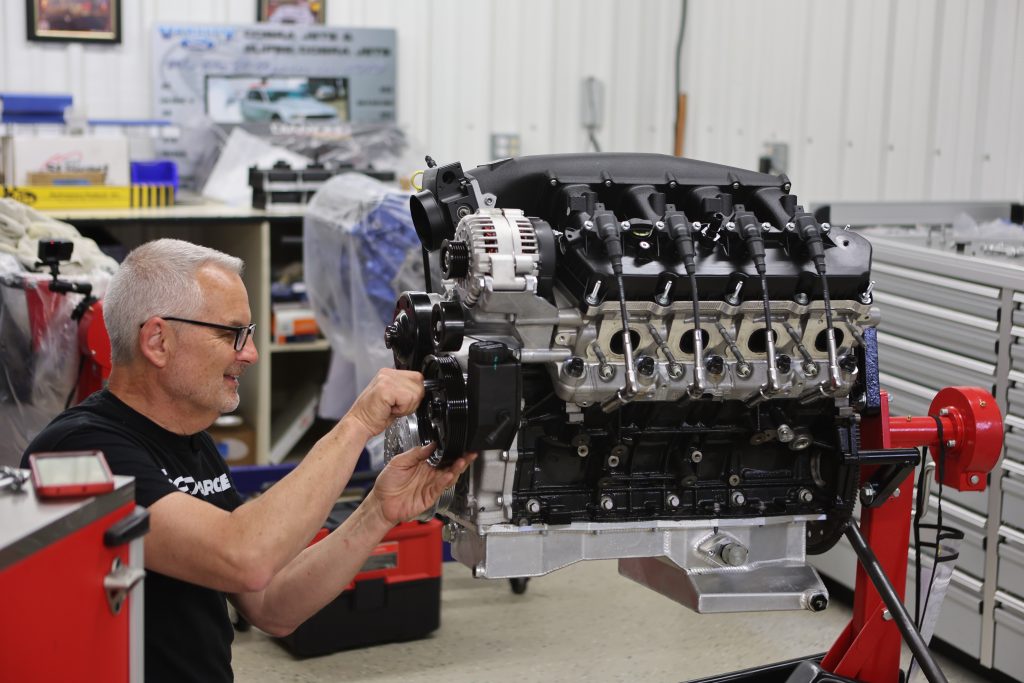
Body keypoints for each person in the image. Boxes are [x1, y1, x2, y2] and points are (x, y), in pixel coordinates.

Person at [22, 238, 472, 683]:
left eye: (250, 335)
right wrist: (357, 423)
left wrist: (378, 510)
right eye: (231, 333)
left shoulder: (191, 445)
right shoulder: (79, 452)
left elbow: (273, 606)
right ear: (157, 340)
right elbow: (244, 556)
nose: (251, 354)